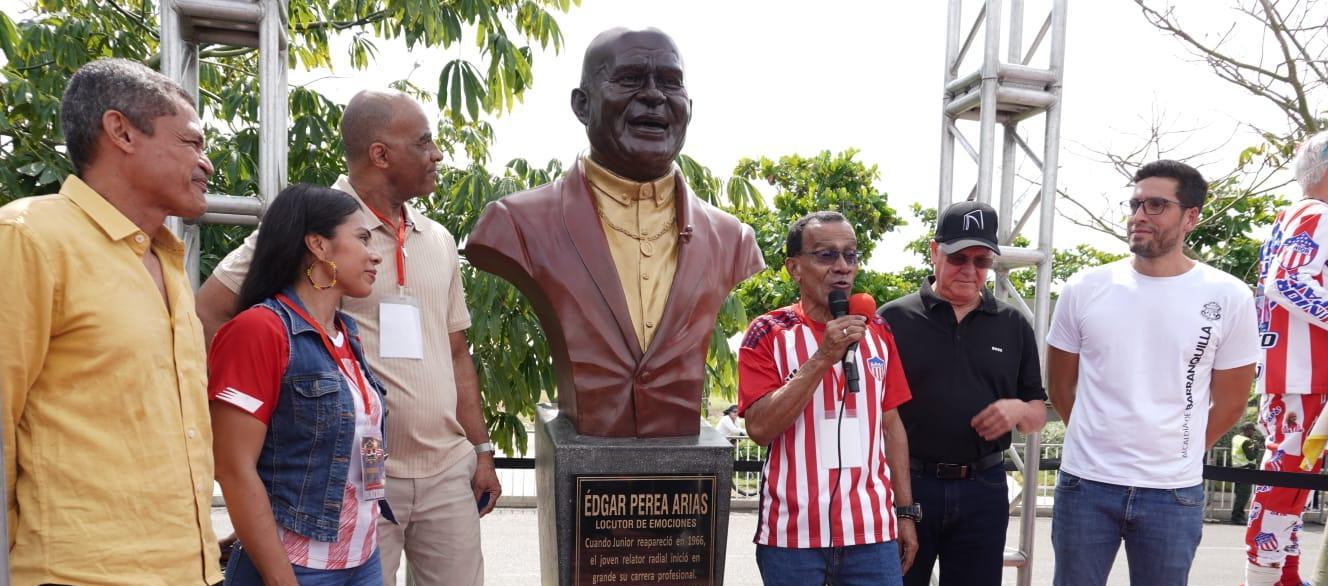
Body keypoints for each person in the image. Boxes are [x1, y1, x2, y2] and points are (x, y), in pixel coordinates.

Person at [195, 90, 498, 585]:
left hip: (446, 471)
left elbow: (458, 352)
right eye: (424, 142)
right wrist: (274, 464)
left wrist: (481, 450)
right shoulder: (314, 224)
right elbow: (208, 313)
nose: (437, 153)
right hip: (345, 482)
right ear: (381, 154)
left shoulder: (439, 239)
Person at [466, 27, 765, 438]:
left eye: (670, 82)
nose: (654, 95)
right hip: (586, 440)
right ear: (582, 105)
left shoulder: (732, 240)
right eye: (629, 79)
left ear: (689, 107)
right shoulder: (515, 226)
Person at [0, 58, 220, 584]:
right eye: (192, 143)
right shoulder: (29, 237)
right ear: (120, 130)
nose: (207, 164)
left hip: (192, 571)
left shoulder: (169, 261)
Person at [1046, 160, 1259, 586]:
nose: (1139, 215)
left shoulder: (1229, 296)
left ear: (1191, 217)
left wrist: (1174, 452)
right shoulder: (1084, 288)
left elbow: (1232, 402)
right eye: (1136, 203)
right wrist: (1097, 438)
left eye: (1157, 205)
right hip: (1086, 485)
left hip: (1173, 492)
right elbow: (1060, 386)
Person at [209, 184, 388, 584]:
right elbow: (233, 467)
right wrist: (279, 577)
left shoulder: (347, 333)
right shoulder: (260, 329)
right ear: (319, 246)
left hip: (362, 557)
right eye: (361, 238)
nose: (375, 253)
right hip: (297, 565)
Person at [738, 211, 916, 586]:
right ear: (794, 267)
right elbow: (759, 428)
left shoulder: (878, 331)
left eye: (850, 255)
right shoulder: (767, 333)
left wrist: (905, 513)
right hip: (792, 537)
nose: (842, 267)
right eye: (826, 255)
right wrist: (822, 357)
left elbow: (891, 425)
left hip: (872, 532)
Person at [879, 201, 1046, 586]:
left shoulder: (1013, 324)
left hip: (982, 487)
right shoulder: (893, 319)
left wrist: (1017, 408)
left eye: (982, 260)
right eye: (959, 258)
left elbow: (1038, 411)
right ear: (935, 251)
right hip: (909, 483)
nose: (970, 271)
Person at [1244, 130, 1328, 586]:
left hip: (1288, 370)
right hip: (1305, 374)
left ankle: (1283, 574)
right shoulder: (1318, 214)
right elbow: (1287, 281)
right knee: (1290, 477)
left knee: (1292, 475)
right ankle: (1265, 575)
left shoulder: (1289, 216)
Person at [1230, 422, 1259, 525]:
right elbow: (1251, 457)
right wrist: (1256, 447)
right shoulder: (1247, 441)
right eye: (1252, 430)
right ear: (1247, 430)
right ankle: (1237, 517)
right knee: (1243, 496)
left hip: (1237, 468)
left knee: (1239, 495)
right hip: (1246, 470)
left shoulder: (1236, 438)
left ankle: (1237, 516)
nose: (1254, 432)